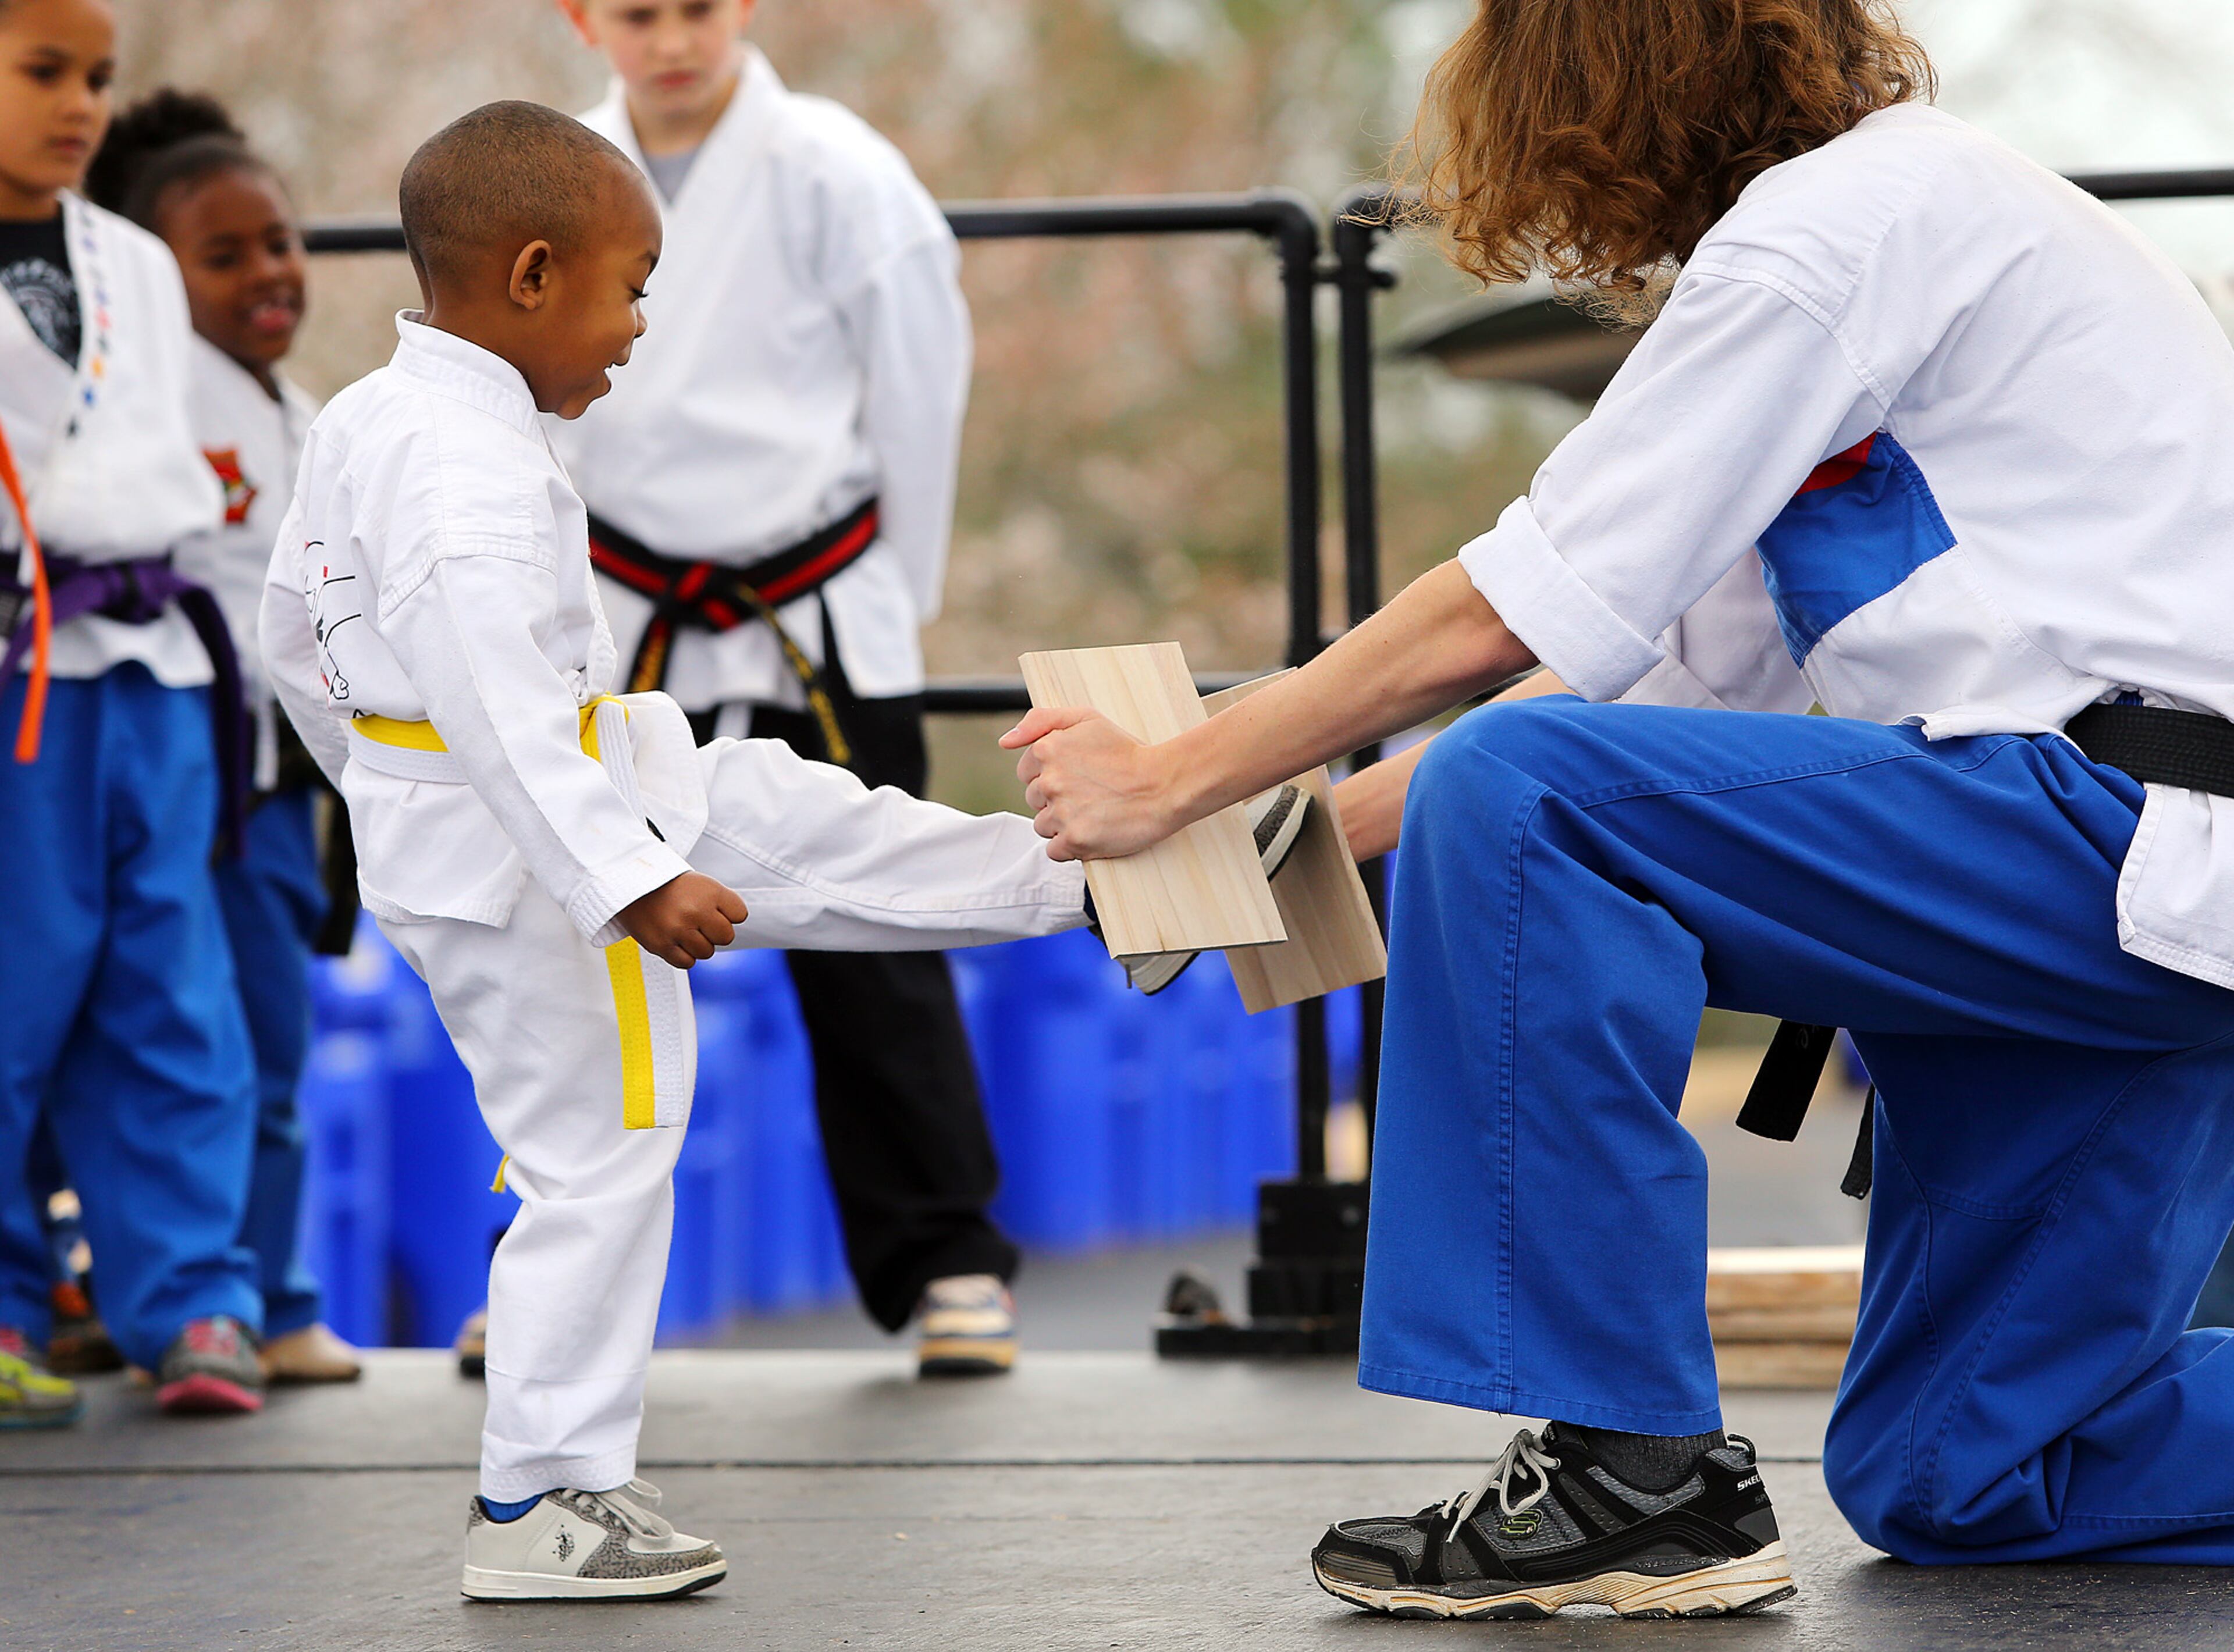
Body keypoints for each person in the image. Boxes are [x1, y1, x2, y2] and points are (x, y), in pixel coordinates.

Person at [1006, 0, 2234, 1615]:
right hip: (2107, 903)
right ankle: (1665, 1477)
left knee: (1526, 796)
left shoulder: (1837, 226)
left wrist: (1182, 768)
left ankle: (1628, 1471)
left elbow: (1511, 616)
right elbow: (1653, 689)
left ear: (1607, 96)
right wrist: (1284, 831)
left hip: (2113, 833)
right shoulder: (1895, 238)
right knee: (1961, 1474)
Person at [257, 100, 1089, 1600]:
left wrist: (389, 791)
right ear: (528, 277)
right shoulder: (454, 468)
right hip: (538, 853)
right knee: (604, 1153)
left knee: (799, 813)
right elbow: (493, 708)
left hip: (556, 793)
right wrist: (623, 881)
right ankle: (542, 1501)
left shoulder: (380, 416)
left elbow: (300, 653)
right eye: (632, 285)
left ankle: (1082, 879)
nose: (642, 324)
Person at [547, 0, 1020, 1376]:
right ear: (586, 19)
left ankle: (948, 1257)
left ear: (739, 7)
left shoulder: (834, 165)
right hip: (626, 603)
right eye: (637, 13)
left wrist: (893, 598)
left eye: (696, 7)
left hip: (817, 597)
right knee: (585, 924)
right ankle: (555, 1260)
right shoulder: (554, 170)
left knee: (874, 910)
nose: (672, 38)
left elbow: (918, 397)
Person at [63, 89, 361, 1387]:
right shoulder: (139, 397)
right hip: (174, 771)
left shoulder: (301, 409)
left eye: (282, 241)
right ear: (140, 270)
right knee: (161, 1037)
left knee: (268, 1043)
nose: (270, 272)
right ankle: (173, 1290)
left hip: (272, 788)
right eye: (224, 254)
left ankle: (267, 1293)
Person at [0, 0, 268, 1424]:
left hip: (154, 665)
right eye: (44, 72)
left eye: (97, 78)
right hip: (14, 675)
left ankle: (193, 1298)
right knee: (10, 985)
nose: (80, 106)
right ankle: (6, 1308)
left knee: (172, 983)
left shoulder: (140, 266)